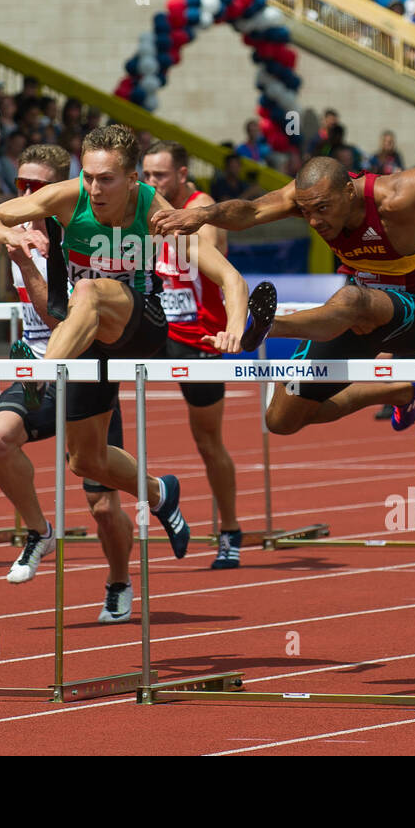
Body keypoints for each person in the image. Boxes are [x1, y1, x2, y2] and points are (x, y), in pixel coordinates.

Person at [0, 125, 250, 562]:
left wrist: (234, 326)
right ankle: (160, 493)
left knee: (90, 292)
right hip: (87, 342)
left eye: (107, 179)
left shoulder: (155, 210)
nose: (94, 189)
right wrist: (10, 235)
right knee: (86, 460)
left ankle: (42, 373)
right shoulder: (66, 196)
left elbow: (229, 276)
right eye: (90, 177)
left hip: (142, 325)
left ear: (132, 179)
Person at [155, 134, 415, 436]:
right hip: (360, 314)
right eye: (306, 212)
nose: (315, 221)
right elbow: (252, 211)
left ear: (348, 192)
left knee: (351, 297)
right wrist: (203, 215)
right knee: (281, 420)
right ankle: (397, 391)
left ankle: (267, 327)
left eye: (323, 210)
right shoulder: (306, 198)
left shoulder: (398, 195)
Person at [0, 145, 134, 620]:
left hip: (85, 370)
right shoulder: (18, 230)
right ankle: (39, 531)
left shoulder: (78, 236)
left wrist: (26, 262)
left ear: (60, 189)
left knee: (103, 508)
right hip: (36, 372)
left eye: (36, 187)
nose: (26, 195)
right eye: (20, 186)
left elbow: (58, 313)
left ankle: (119, 580)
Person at [141, 140, 248, 569]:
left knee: (207, 441)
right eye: (146, 175)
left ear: (182, 175)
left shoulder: (203, 210)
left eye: (160, 176)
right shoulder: (147, 209)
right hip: (155, 329)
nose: (151, 183)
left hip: (198, 338)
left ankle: (231, 529)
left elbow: (212, 248)